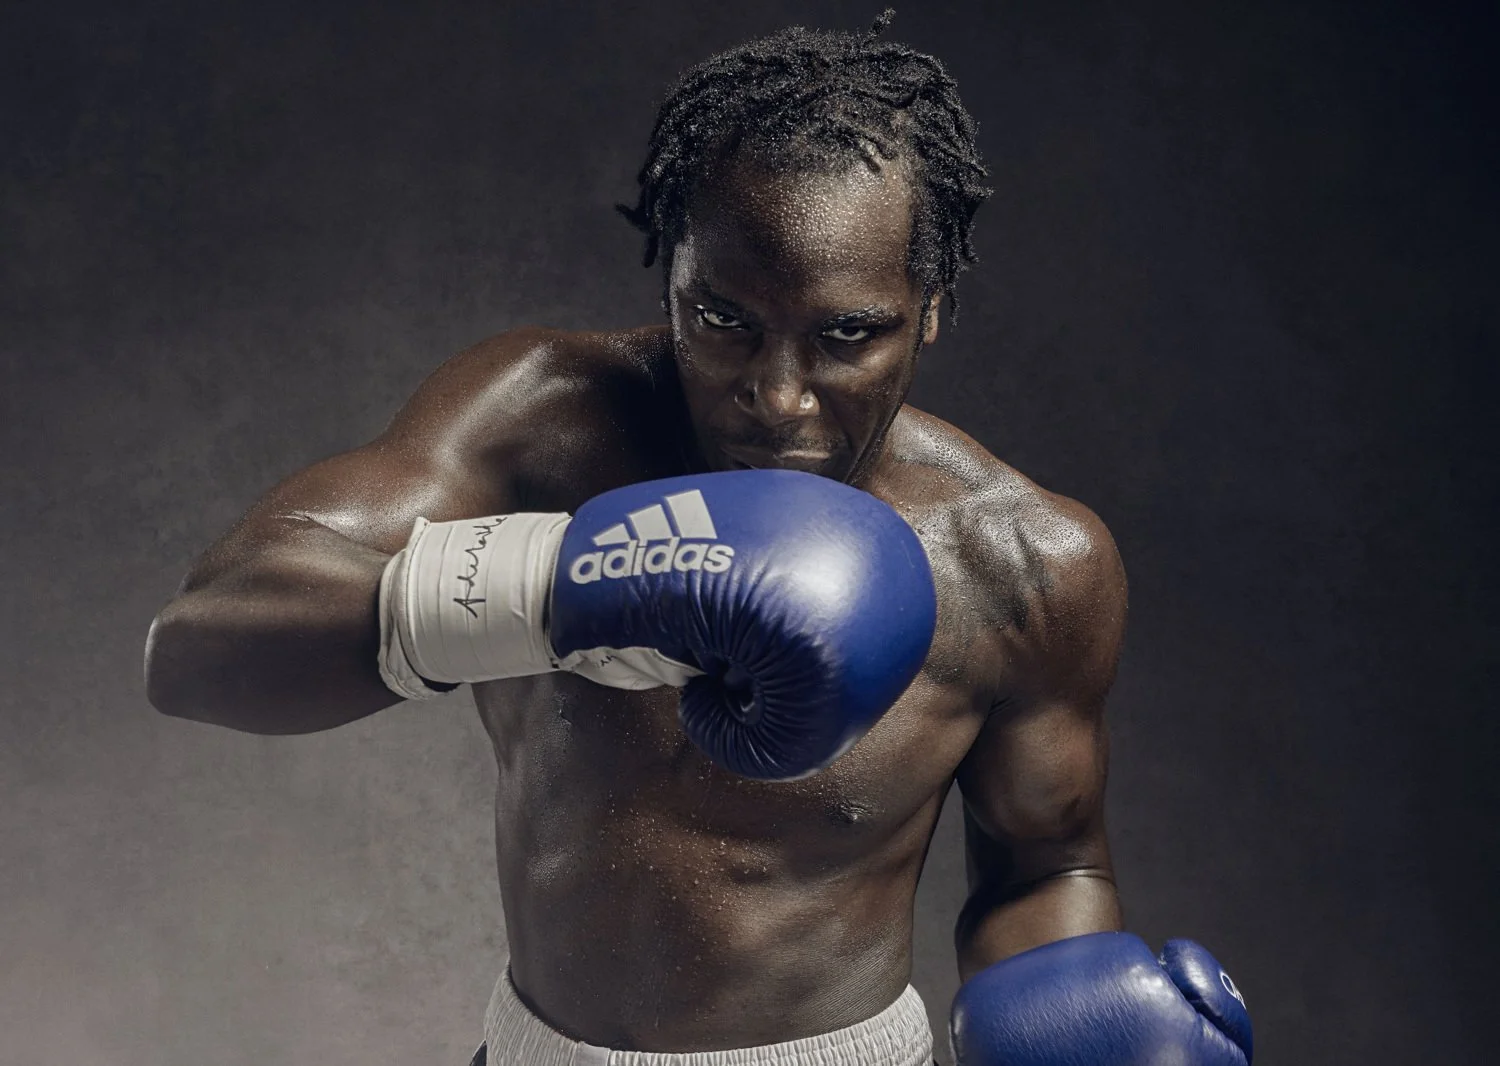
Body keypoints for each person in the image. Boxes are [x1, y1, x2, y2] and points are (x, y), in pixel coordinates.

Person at [144, 12, 1253, 1066]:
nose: (776, 398)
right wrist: (559, 584)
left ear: (931, 303)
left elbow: (1045, 864)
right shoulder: (540, 426)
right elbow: (196, 648)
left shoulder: (1022, 563)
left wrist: (1078, 1015)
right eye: (723, 320)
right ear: (673, 268)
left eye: (845, 336)